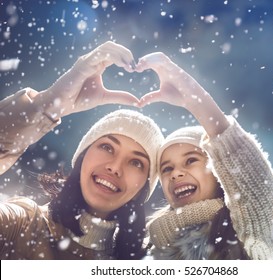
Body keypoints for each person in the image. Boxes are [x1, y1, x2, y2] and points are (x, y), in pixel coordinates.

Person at [0, 41, 164, 259]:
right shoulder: (21, 225)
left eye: (136, 162)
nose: (115, 167)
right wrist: (47, 105)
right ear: (82, 156)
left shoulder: (151, 262)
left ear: (145, 186)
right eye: (107, 147)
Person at [136, 52, 273, 260]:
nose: (176, 173)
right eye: (167, 168)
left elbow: (259, 188)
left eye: (191, 160)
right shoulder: (147, 248)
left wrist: (194, 99)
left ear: (218, 169)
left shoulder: (245, 232)